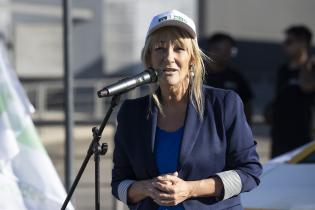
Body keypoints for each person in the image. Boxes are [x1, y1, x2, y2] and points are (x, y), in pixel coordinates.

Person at [111, 10, 262, 210]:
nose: (169, 57)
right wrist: (146, 188)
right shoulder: (131, 113)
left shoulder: (224, 104)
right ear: (149, 58)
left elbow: (250, 172)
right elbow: (119, 184)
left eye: (179, 48)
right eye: (159, 48)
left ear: (192, 58)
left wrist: (191, 189)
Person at [269, 25, 315, 157]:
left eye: (289, 42)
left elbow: (307, 87)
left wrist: (306, 67)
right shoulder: (283, 69)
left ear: (302, 43)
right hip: (280, 135)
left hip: (303, 136)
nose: (284, 45)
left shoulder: (311, 68)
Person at [204, 33, 254, 124]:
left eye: (231, 50)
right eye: (225, 50)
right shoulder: (195, 75)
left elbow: (247, 105)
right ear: (212, 49)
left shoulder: (236, 77)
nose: (228, 54)